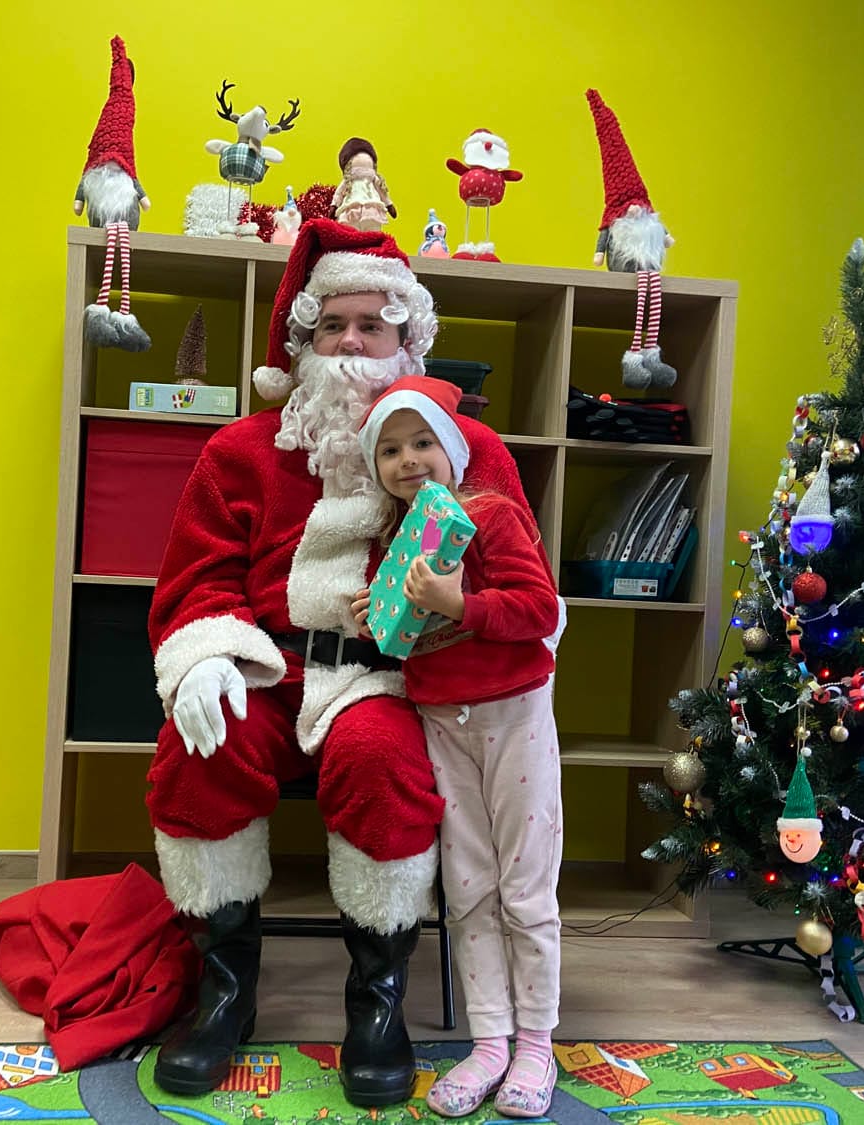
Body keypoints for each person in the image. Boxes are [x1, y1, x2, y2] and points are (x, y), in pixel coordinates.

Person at [145, 219, 547, 1107]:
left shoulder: (471, 454)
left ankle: (378, 1002)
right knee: (197, 751)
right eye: (333, 325)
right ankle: (225, 991)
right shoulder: (237, 452)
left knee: (380, 761)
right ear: (304, 341)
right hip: (267, 667)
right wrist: (205, 655)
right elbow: (196, 577)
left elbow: (522, 586)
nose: (353, 342)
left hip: (393, 679)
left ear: (409, 339)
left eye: (373, 324)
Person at [351, 377, 564, 1119]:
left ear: (451, 448)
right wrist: (379, 615)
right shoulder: (395, 542)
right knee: (468, 886)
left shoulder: (490, 514)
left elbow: (539, 609)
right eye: (389, 450)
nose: (408, 460)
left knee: (524, 886)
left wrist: (459, 603)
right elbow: (405, 640)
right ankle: (490, 1041)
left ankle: (536, 1042)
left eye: (422, 443)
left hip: (515, 714)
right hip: (443, 720)